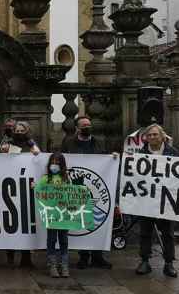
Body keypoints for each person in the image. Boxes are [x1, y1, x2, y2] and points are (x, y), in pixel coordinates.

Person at [60, 116, 113, 270]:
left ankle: (98, 256)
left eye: (88, 125)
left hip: (95, 185)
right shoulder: (68, 142)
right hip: (76, 185)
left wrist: (113, 157)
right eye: (83, 125)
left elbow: (106, 158)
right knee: (82, 218)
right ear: (77, 128)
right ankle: (83, 256)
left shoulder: (99, 142)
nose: (86, 127)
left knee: (94, 221)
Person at [135, 124, 179, 278]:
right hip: (147, 200)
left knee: (168, 233)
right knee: (145, 232)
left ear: (162, 136)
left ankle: (169, 263)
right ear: (146, 138)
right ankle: (145, 261)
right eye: (150, 135)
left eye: (155, 134)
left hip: (166, 201)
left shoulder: (173, 153)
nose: (152, 137)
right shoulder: (139, 155)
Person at [4, 120, 39, 268]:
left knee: (26, 221)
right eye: (16, 130)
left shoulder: (31, 144)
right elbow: (4, 155)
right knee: (11, 220)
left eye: (21, 130)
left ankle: (26, 257)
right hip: (11, 187)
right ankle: (10, 252)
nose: (19, 132)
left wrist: (33, 148)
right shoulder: (8, 142)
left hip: (27, 188)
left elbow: (38, 155)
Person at [36, 153, 71, 278]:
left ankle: (64, 265)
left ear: (62, 165)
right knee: (51, 240)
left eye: (57, 162)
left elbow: (71, 194)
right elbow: (38, 190)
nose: (54, 165)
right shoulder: (46, 179)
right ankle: (52, 265)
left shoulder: (66, 179)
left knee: (64, 241)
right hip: (51, 215)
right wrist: (35, 187)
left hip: (64, 215)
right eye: (52, 162)